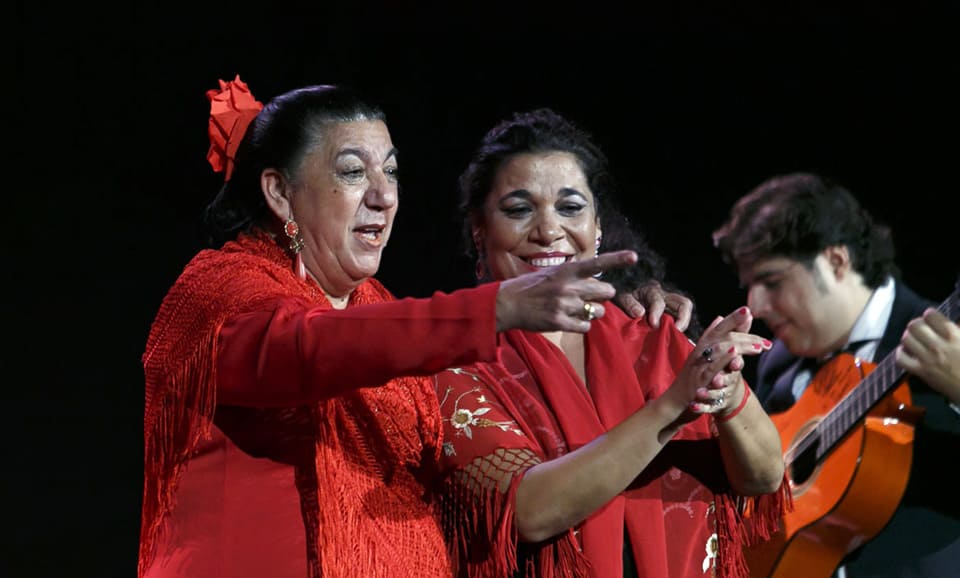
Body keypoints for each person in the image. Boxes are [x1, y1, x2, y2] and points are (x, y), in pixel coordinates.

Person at [140, 77, 691, 578]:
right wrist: (496, 307)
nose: (383, 194)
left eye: (392, 171)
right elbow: (308, 348)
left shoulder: (375, 307)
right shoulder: (221, 290)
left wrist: (628, 318)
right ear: (279, 192)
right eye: (354, 172)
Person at [433, 108, 790, 578]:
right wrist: (672, 405)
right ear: (480, 231)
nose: (547, 230)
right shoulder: (456, 362)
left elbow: (764, 477)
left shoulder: (652, 335)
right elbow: (529, 512)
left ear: (597, 227)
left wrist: (723, 390)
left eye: (570, 207)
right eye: (519, 210)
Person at [712, 171, 960, 577]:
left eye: (771, 281)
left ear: (836, 261)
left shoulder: (947, 346)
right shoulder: (778, 363)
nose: (754, 304)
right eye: (749, 285)